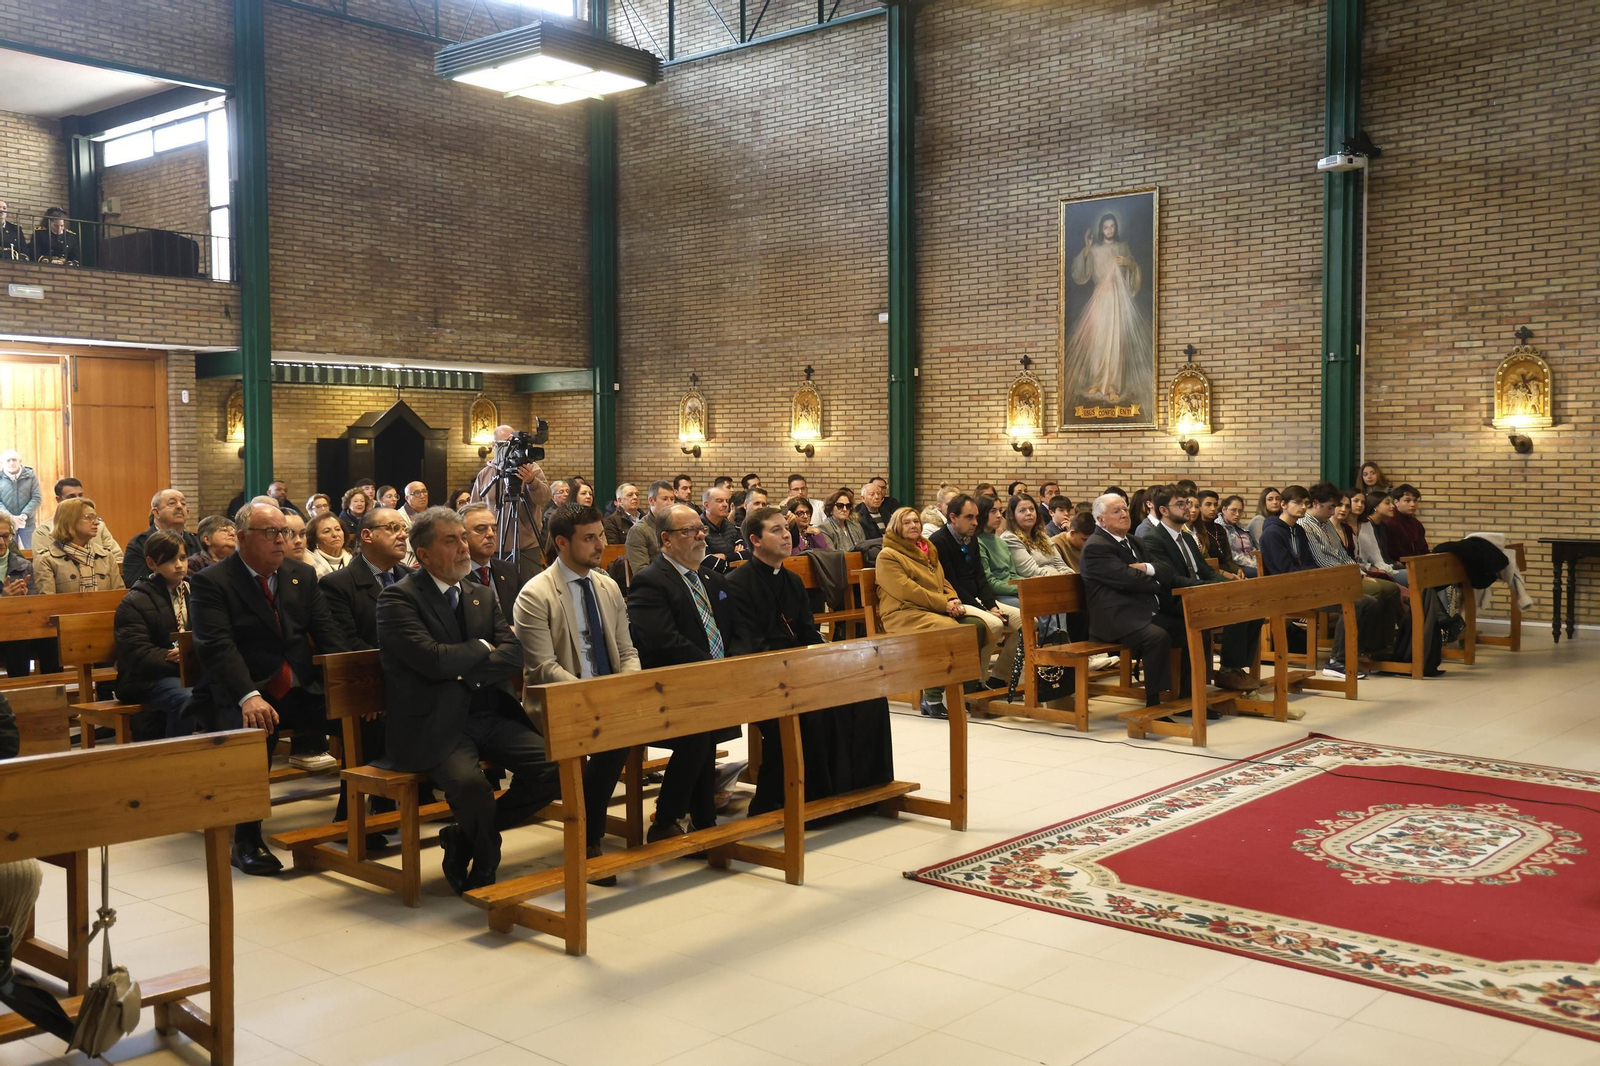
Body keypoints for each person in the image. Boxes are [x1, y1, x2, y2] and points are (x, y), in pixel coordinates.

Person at [377, 507, 558, 893]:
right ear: (424, 554)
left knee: (555, 766)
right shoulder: (398, 599)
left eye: (463, 537)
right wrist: (480, 646)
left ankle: (462, 836)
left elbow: (515, 654)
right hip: (436, 723)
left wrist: (464, 671)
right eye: (451, 540)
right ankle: (486, 859)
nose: (464, 547)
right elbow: (432, 660)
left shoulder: (480, 594)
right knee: (471, 786)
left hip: (491, 714)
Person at [191, 502, 349, 874]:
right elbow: (217, 646)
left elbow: (328, 634)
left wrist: (354, 685)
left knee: (365, 717)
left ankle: (351, 816)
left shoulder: (301, 575)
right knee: (255, 728)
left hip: (298, 687)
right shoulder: (213, 581)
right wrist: (248, 695)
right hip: (241, 690)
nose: (282, 540)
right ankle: (246, 838)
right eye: (271, 533)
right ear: (243, 538)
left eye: (286, 533)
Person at [726, 506, 893, 815]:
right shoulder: (737, 583)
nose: (786, 535)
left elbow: (808, 633)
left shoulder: (791, 580)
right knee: (809, 713)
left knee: (868, 698)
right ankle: (794, 799)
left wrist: (829, 663)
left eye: (786, 529)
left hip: (801, 671)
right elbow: (748, 645)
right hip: (764, 676)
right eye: (776, 530)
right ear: (755, 540)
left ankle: (858, 790)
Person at [513, 503, 640, 883]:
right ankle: (588, 838)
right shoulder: (536, 594)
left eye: (601, 535)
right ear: (562, 542)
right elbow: (543, 667)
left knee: (630, 729)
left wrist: (628, 685)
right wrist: (593, 696)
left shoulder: (607, 585)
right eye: (589, 538)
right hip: (559, 700)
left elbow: (627, 651)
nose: (601, 545)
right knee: (611, 738)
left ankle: (588, 831)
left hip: (607, 695)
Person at [626, 504, 739, 841]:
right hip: (667, 685)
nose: (701, 536)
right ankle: (669, 819)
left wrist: (733, 662)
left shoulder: (711, 577)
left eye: (700, 529)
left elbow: (733, 628)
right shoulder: (650, 581)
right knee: (699, 733)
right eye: (690, 531)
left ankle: (701, 819)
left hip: (711, 682)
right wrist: (711, 667)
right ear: (666, 539)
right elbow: (662, 641)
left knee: (705, 730)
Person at [1136, 488, 1258, 694]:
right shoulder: (1153, 539)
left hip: (1198, 593)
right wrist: (1212, 588)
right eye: (1180, 504)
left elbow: (1206, 571)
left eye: (1188, 503)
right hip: (1174, 600)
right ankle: (1227, 672)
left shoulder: (1187, 537)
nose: (1188, 508)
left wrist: (1229, 585)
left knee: (1253, 606)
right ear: (1163, 510)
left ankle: (1233, 668)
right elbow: (1173, 579)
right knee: (1236, 608)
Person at [874, 506, 985, 719]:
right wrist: (944, 604)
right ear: (896, 527)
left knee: (976, 626)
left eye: (916, 521)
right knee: (949, 629)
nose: (913, 526)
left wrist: (952, 598)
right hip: (904, 613)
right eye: (907, 522)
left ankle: (966, 693)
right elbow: (907, 590)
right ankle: (932, 698)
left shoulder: (927, 549)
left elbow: (943, 580)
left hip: (931, 609)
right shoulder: (888, 555)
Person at [1079, 493, 1180, 709]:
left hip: (1140, 611)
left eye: (1125, 509)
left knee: (1186, 628)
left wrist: (1145, 568)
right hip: (1114, 619)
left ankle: (1186, 692)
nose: (1124, 514)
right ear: (1101, 520)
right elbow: (1128, 580)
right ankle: (1154, 702)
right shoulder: (1096, 546)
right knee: (1157, 637)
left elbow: (1166, 569)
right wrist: (1156, 581)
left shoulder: (1135, 541)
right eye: (1116, 511)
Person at [1258, 486, 1368, 681]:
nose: (1303, 507)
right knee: (1355, 602)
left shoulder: (1298, 530)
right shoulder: (1272, 533)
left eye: (1306, 503)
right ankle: (1336, 662)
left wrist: (1317, 579)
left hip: (1307, 586)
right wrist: (1313, 580)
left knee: (1367, 600)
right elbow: (1285, 571)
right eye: (1297, 502)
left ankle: (1356, 653)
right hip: (1286, 590)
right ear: (1283, 505)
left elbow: (1309, 562)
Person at [929, 495, 1022, 688]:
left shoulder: (971, 539)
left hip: (977, 599)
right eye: (969, 517)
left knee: (1026, 622)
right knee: (994, 624)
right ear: (953, 517)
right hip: (956, 601)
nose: (975, 523)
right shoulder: (939, 541)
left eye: (976, 517)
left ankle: (999, 676)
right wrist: (985, 609)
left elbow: (980, 577)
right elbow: (952, 583)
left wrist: (992, 606)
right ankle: (976, 682)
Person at [1062, 211, 1153, 408]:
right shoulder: (1094, 249)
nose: (1109, 230)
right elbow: (1079, 272)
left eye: (1112, 226)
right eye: (1105, 227)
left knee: (1116, 340)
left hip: (1117, 299)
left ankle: (1113, 386)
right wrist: (1087, 248)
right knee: (1098, 340)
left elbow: (1134, 271)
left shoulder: (1122, 247)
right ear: (1101, 229)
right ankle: (1096, 381)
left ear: (1116, 228)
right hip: (1100, 298)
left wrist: (1129, 263)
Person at [1302, 481, 1400, 661]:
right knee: (1374, 592)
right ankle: (1359, 648)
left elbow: (1342, 554)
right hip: (1323, 579)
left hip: (1342, 575)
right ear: (1315, 503)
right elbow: (1321, 560)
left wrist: (1359, 573)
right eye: (1331, 507)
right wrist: (1354, 578)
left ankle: (1380, 645)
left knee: (1392, 589)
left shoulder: (1326, 523)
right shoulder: (1305, 525)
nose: (1334, 511)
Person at [113, 531, 195, 739]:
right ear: (151, 563)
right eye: (170, 560)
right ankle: (177, 755)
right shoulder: (135, 601)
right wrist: (169, 656)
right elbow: (135, 652)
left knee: (234, 689)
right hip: (147, 677)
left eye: (183, 558)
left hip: (192, 669)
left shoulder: (197, 590)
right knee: (187, 698)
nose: (179, 565)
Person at [321, 509, 410, 651]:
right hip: (370, 663)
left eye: (404, 528)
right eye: (393, 528)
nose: (403, 535)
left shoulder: (413, 578)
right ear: (367, 536)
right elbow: (347, 642)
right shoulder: (336, 584)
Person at [469, 425, 553, 562]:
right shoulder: (484, 474)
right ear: (494, 445)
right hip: (493, 547)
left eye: (514, 443)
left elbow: (544, 498)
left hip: (526, 547)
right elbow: (474, 510)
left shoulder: (530, 469)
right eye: (506, 443)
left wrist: (532, 481)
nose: (511, 448)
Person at [33, 497, 123, 594]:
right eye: (89, 517)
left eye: (96, 518)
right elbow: (48, 600)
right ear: (69, 520)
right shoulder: (46, 560)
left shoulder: (106, 557)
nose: (97, 522)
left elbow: (119, 595)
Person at [33, 477, 122, 566]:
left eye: (80, 495)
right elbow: (42, 564)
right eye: (71, 497)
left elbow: (118, 558)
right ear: (58, 500)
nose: (78, 500)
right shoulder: (43, 531)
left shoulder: (99, 526)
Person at [124, 489, 200, 588]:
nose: (179, 506)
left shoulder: (197, 541)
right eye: (172, 503)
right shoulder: (139, 543)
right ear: (156, 512)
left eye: (183, 503)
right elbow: (135, 582)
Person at [460, 503, 525, 616]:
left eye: (494, 529)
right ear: (462, 536)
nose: (490, 534)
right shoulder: (454, 576)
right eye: (481, 529)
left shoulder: (509, 570)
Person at [1001, 493, 1072, 579]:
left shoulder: (1043, 536)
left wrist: (1070, 575)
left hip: (1055, 579)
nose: (1029, 513)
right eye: (1022, 510)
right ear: (1013, 515)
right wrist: (1060, 578)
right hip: (1036, 583)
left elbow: (1060, 564)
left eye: (1031, 509)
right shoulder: (1010, 538)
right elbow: (1030, 571)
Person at [624, 480, 677, 577]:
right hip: (657, 581)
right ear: (651, 501)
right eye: (665, 499)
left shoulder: (676, 526)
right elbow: (641, 572)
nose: (670, 504)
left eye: (672, 499)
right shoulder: (638, 531)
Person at [976, 496, 1021, 608]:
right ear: (982, 514)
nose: (999, 515)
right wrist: (1020, 588)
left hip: (1011, 589)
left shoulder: (1001, 542)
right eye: (993, 511)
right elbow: (990, 582)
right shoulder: (978, 542)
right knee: (1026, 605)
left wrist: (1031, 582)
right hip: (996, 594)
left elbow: (1012, 574)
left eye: (1000, 510)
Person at [1355, 490, 1404, 582]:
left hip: (1385, 566)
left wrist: (1393, 563)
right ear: (1375, 506)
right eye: (1387, 503)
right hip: (1372, 569)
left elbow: (1382, 554)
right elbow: (1368, 556)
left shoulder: (1383, 525)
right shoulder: (1366, 525)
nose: (1393, 506)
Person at [1191, 491, 1240, 576]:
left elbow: (1228, 558)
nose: (1213, 508)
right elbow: (1203, 563)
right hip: (1211, 573)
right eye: (1208, 504)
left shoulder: (1219, 528)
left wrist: (1237, 569)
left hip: (1227, 570)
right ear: (1200, 507)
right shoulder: (1195, 530)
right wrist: (1223, 573)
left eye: (1215, 505)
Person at [0, 451, 41, 551]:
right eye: (8, 460)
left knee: (33, 550)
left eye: (14, 460)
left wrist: (24, 516)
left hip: (27, 522)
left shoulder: (31, 477)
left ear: (20, 461)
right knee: (9, 552)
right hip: (6, 523)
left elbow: (36, 498)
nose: (11, 463)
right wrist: (10, 517)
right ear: (2, 463)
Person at [701, 485, 747, 567]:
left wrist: (725, 556)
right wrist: (735, 557)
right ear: (707, 505)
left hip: (734, 572)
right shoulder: (698, 528)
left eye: (727, 501)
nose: (725, 505)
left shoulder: (729, 525)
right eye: (719, 501)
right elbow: (707, 562)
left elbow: (746, 553)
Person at [1386, 483, 1430, 562]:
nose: (1412, 504)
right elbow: (1395, 553)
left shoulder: (1416, 524)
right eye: (1407, 500)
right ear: (1396, 502)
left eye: (1415, 500)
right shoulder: (1390, 523)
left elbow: (1424, 549)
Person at [1217, 495, 1257, 576]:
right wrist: (1253, 564)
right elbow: (1231, 554)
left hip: (1251, 562)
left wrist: (1258, 561)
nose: (1237, 514)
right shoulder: (1219, 527)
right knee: (1256, 572)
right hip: (1234, 565)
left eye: (1240, 511)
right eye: (1233, 510)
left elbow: (1252, 548)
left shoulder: (1240, 527)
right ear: (1224, 510)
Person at [305, 513, 351, 577]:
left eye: (338, 529)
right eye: (327, 531)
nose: (335, 534)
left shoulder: (354, 559)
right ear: (315, 539)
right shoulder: (310, 565)